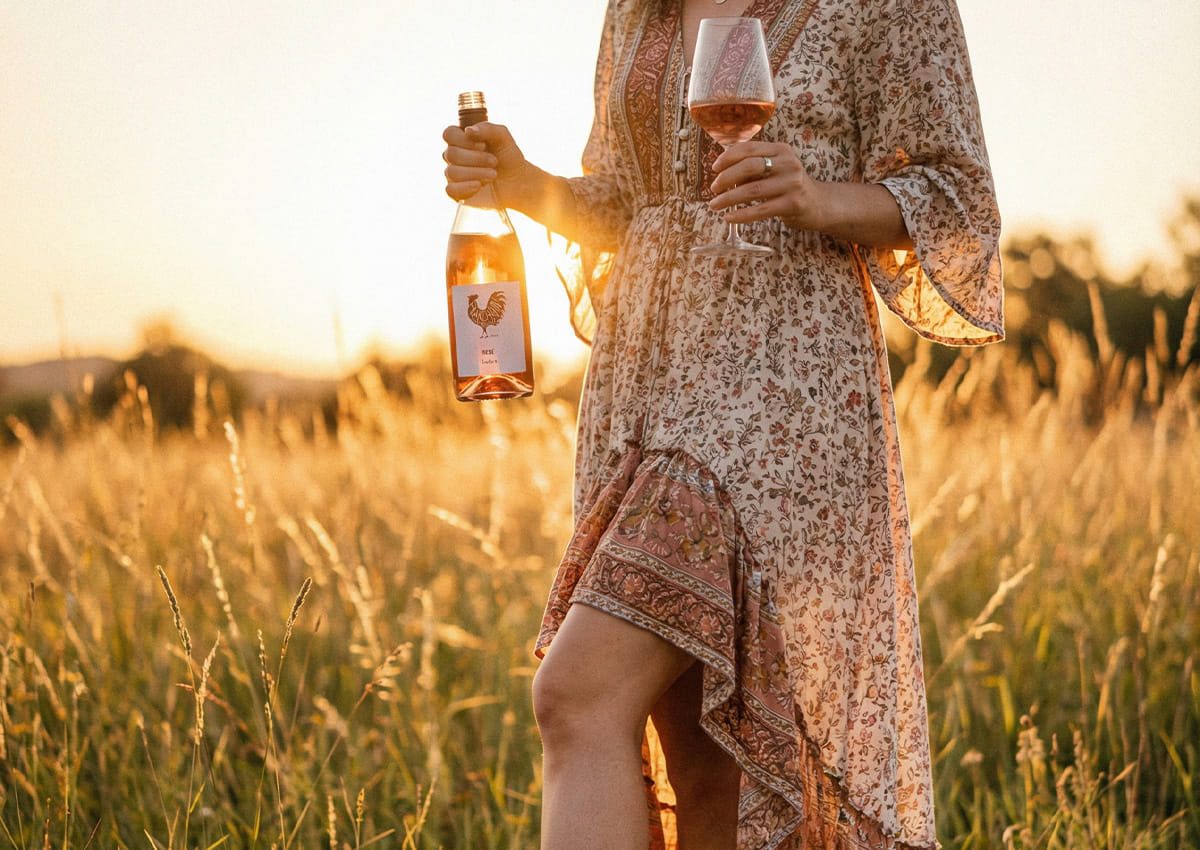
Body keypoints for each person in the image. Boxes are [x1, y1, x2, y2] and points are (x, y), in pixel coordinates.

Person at [442, 0, 1002, 847]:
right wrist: (531, 188)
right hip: (643, 393)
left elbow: (958, 200)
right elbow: (634, 209)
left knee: (576, 694)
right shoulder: (637, 8)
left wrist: (815, 197)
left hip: (784, 400)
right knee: (712, 774)